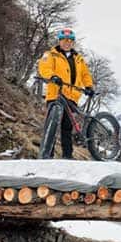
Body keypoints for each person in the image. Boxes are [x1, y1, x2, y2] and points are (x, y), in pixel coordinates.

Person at [37, 28, 94, 159]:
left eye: (70, 41)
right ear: (59, 41)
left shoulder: (78, 58)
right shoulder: (51, 54)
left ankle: (67, 156)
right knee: (52, 124)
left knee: (67, 127)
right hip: (56, 94)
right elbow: (44, 68)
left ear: (73, 42)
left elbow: (85, 74)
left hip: (72, 96)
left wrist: (89, 86)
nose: (67, 43)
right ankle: (46, 155)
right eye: (64, 40)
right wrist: (52, 76)